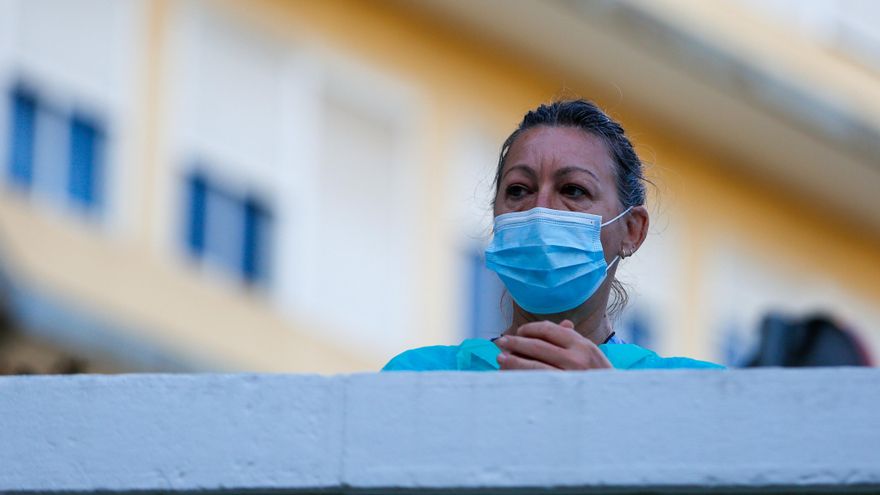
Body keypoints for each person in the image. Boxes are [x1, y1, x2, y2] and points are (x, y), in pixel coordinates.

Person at [383, 100, 723, 371]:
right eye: (518, 190)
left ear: (632, 230)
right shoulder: (418, 377)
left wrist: (605, 404)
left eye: (573, 190)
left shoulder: (697, 392)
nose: (540, 208)